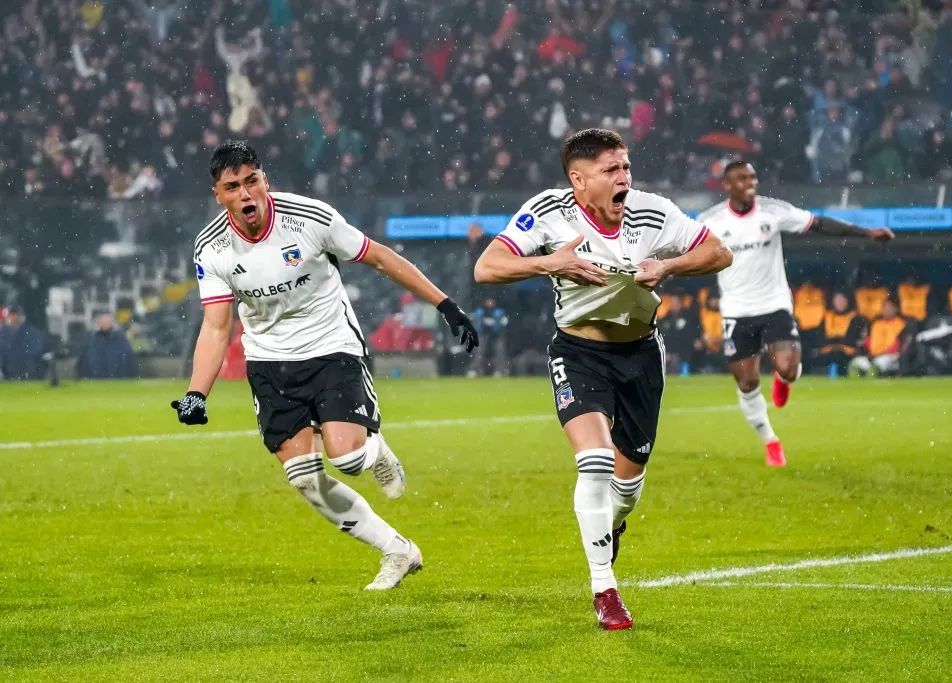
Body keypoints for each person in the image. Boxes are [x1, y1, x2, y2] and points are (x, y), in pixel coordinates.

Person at [171, 140, 479, 591]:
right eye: (232, 187)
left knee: (349, 457)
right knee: (304, 478)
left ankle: (375, 451)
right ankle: (398, 550)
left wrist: (444, 304)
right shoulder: (211, 248)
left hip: (331, 346)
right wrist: (198, 392)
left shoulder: (310, 218)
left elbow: (379, 256)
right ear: (218, 194)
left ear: (265, 180)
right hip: (270, 362)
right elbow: (217, 328)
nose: (245, 194)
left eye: (251, 181)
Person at [474, 129, 732, 630]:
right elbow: (488, 267)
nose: (624, 179)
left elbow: (720, 252)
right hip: (578, 353)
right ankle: (605, 590)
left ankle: (610, 528)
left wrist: (671, 265)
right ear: (579, 179)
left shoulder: (652, 211)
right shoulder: (548, 211)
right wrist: (551, 261)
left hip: (640, 357)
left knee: (626, 490)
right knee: (593, 462)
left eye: (626, 167)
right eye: (612, 170)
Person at [697, 161, 893, 467]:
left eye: (753, 176)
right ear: (727, 186)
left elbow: (819, 223)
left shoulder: (773, 212)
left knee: (788, 368)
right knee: (747, 383)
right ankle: (771, 441)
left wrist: (865, 233)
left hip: (773, 304)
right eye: (742, 178)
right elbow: (682, 247)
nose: (750, 183)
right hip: (736, 311)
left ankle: (782, 378)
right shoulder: (710, 221)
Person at [850, 299, 908, 376]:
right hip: (872, 356)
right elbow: (869, 341)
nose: (887, 310)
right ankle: (856, 385)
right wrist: (864, 343)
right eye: (885, 308)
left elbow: (901, 343)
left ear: (895, 309)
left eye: (889, 308)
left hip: (891, 357)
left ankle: (871, 380)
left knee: (878, 364)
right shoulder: (876, 324)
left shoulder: (901, 324)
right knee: (855, 363)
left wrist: (886, 353)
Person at [77, 313, 140, 379]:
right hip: (96, 379)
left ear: (111, 324)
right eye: (103, 322)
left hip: (117, 379)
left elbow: (128, 357)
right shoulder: (91, 340)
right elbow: (85, 359)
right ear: (99, 324)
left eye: (107, 322)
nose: (105, 324)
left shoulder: (120, 339)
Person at [0, 306, 50, 381]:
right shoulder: (3, 333)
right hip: (8, 369)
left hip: (26, 369)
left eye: (15, 316)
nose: (12, 319)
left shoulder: (31, 333)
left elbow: (35, 351)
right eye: (10, 316)